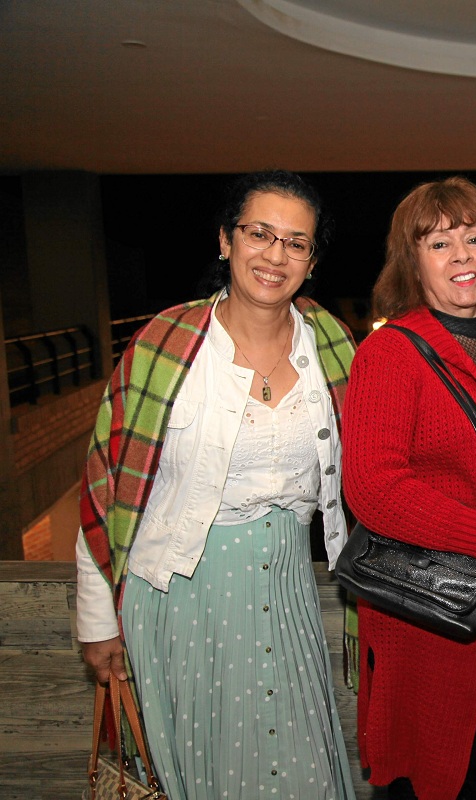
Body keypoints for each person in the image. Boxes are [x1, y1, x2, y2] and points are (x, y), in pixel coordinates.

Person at [75, 169, 359, 799]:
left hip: (287, 600)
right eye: (260, 234)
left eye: (296, 242)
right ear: (226, 241)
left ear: (312, 262)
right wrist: (99, 621)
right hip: (177, 601)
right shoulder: (163, 346)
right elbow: (106, 488)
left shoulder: (334, 347)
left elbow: (378, 464)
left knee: (299, 772)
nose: (275, 255)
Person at [340, 177, 476, 800]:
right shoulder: (389, 354)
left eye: (474, 237)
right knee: (433, 776)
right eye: (440, 243)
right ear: (413, 262)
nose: (462, 255)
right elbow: (373, 488)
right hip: (430, 610)